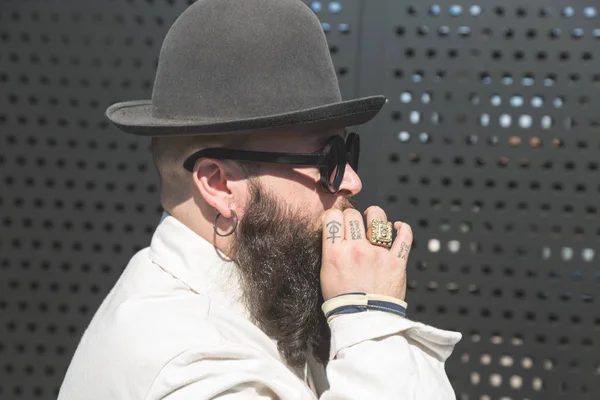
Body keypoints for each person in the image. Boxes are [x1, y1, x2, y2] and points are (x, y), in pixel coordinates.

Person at [58, 0, 462, 398]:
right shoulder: (187, 365)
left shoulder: (268, 284)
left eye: (348, 152)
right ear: (218, 184)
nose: (351, 181)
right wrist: (371, 320)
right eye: (328, 159)